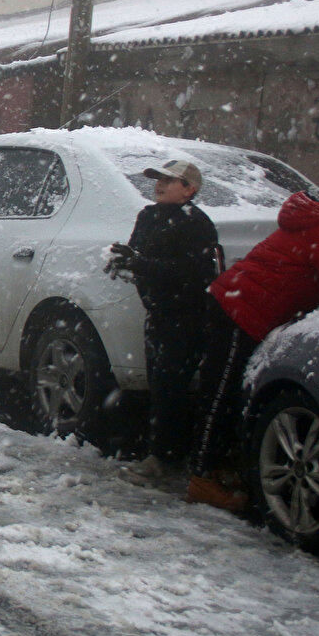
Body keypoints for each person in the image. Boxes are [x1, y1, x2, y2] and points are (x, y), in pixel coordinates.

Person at [186, 173, 319, 512]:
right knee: (221, 392)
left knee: (225, 390)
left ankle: (214, 466)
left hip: (237, 303)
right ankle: (202, 477)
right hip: (241, 309)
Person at [106, 160, 219, 486]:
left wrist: (142, 264)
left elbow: (194, 273)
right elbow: (139, 257)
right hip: (156, 315)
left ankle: (168, 457)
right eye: (158, 178)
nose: (160, 184)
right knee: (158, 386)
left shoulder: (196, 223)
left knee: (173, 389)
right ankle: (159, 452)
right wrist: (122, 262)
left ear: (189, 190)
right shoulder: (148, 216)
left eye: (171, 180)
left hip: (186, 317)